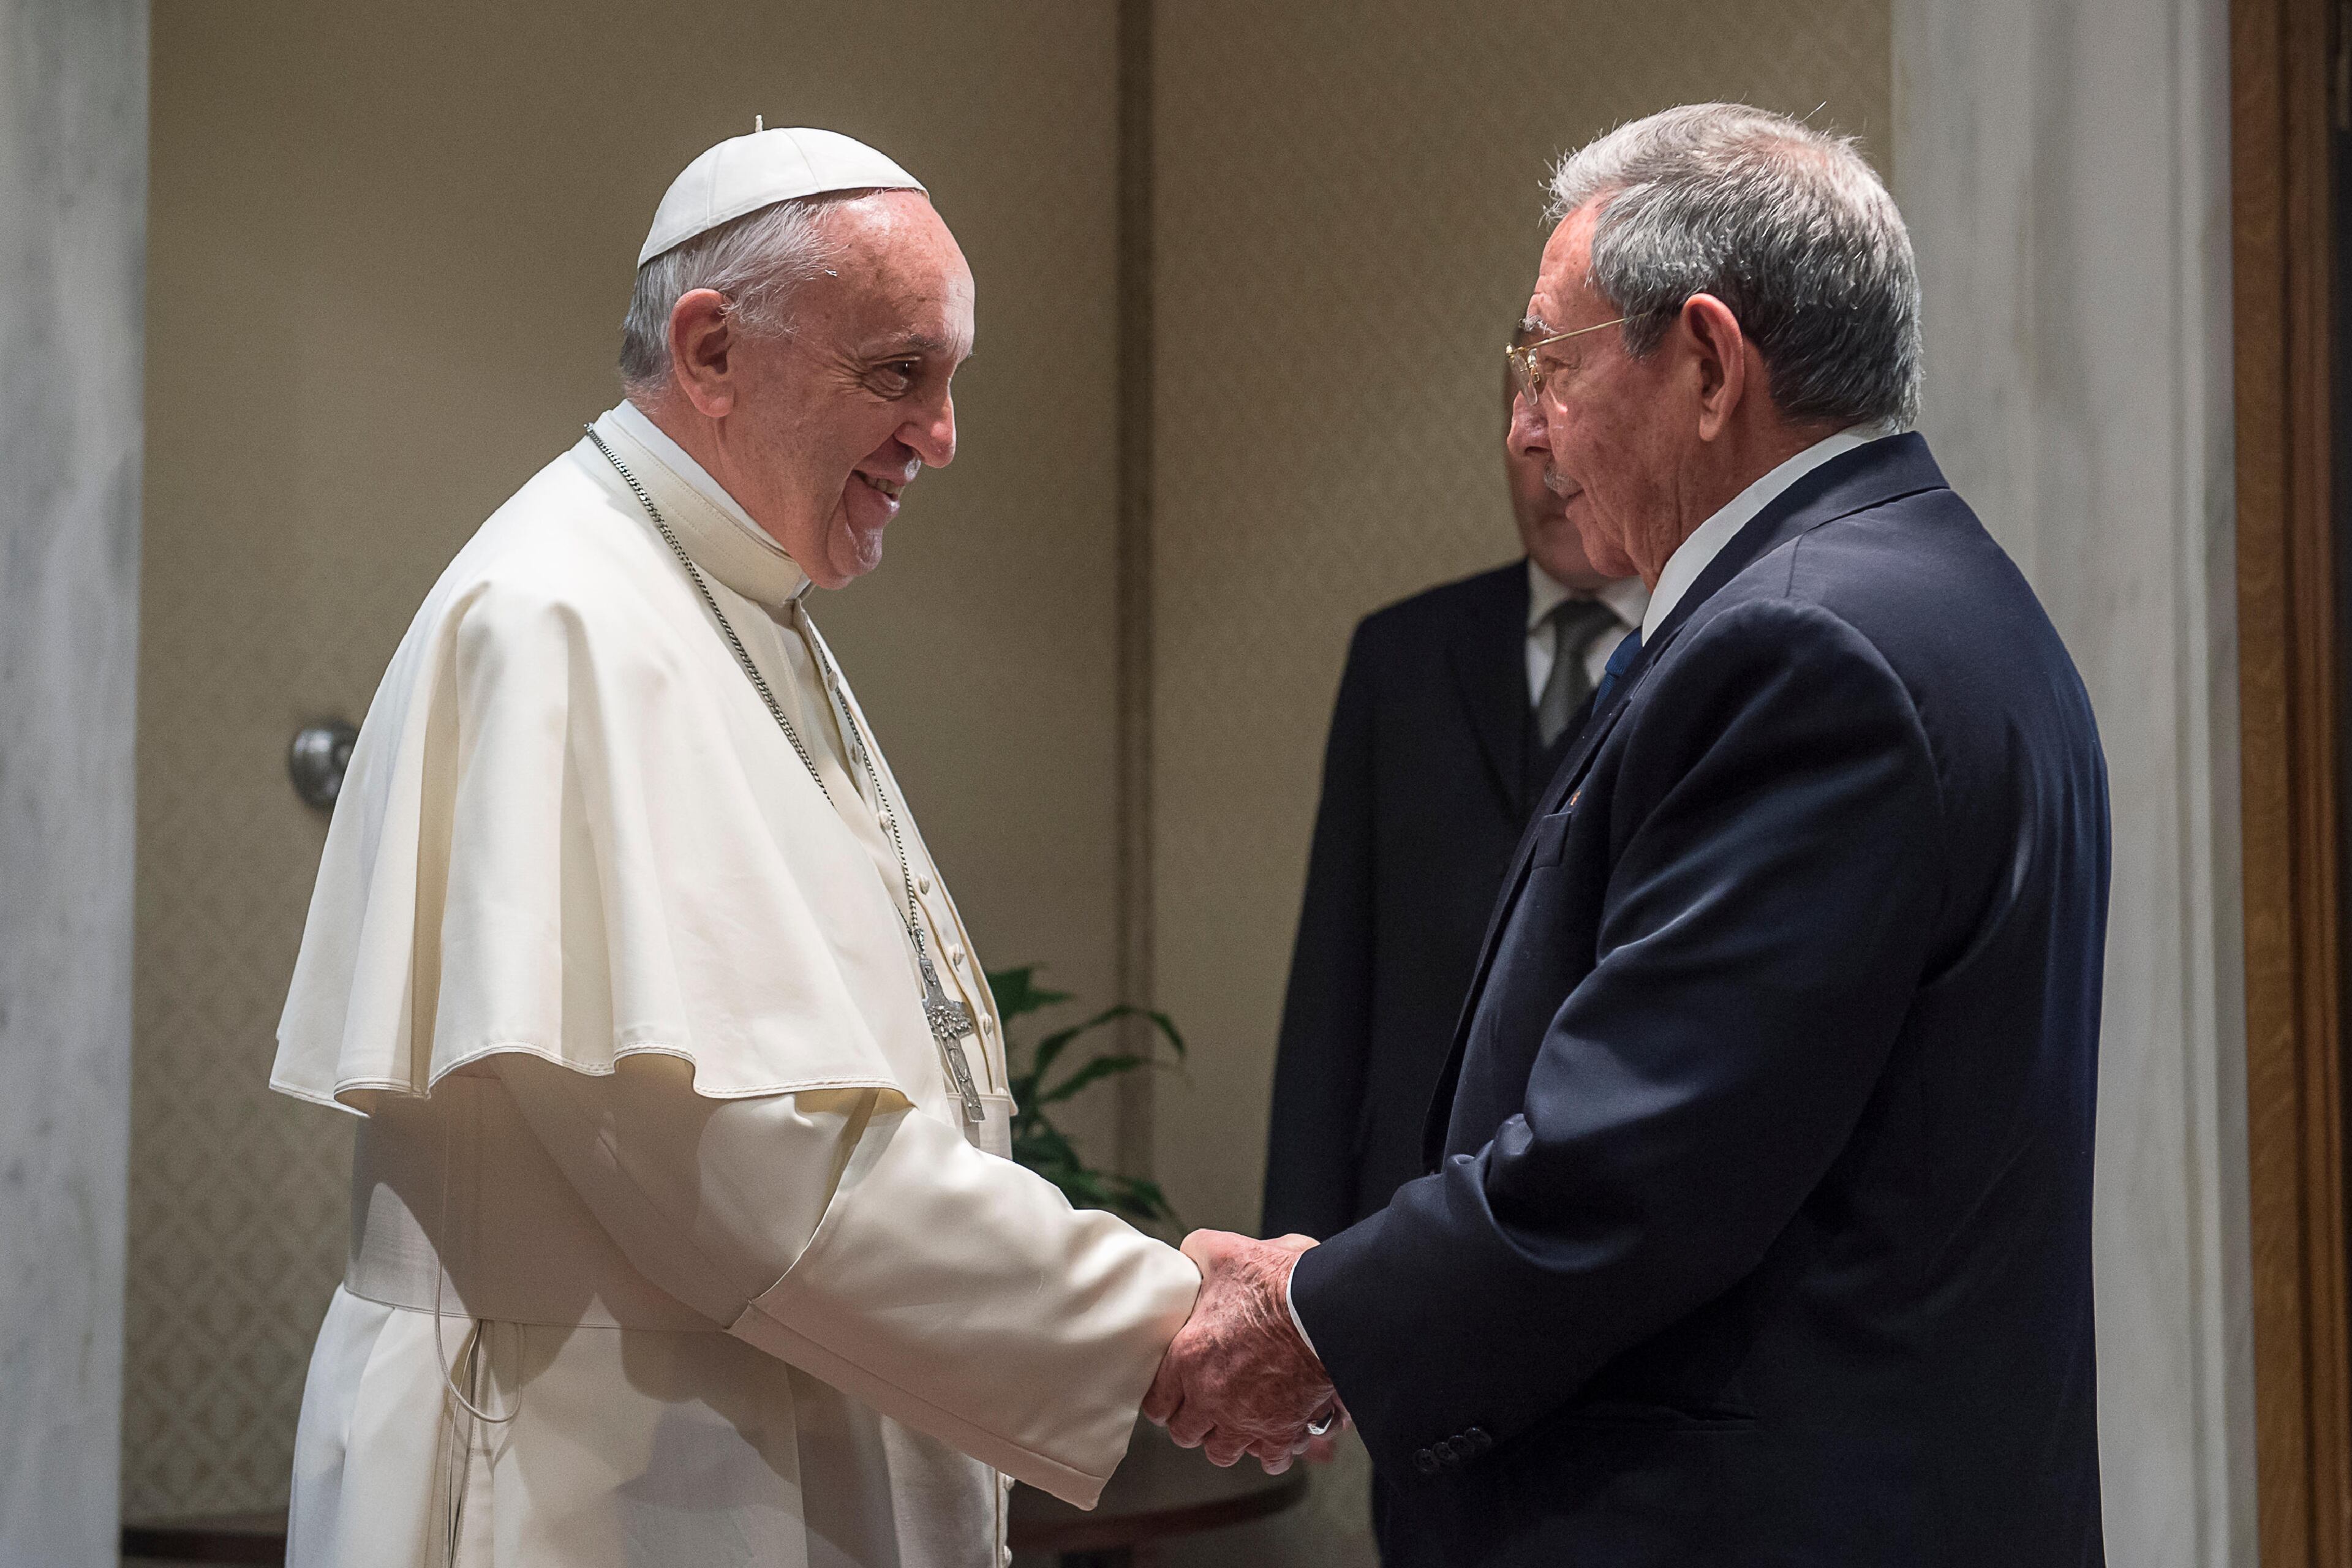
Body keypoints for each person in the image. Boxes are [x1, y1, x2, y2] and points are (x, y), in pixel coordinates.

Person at [1148, 103, 2109, 1566]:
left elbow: (1637, 1165)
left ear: (1711, 363)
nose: (1526, 427)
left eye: (1549, 362)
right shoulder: (1921, 590)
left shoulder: (1806, 646)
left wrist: (1315, 1314)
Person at [270, 126, 1200, 1568]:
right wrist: (1159, 1325)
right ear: (711, 351)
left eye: (950, 380)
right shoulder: (566, 616)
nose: (940, 436)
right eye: (899, 372)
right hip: (589, 1477)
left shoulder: (729, 595)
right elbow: (743, 1164)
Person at [1261, 347, 1644, 1243]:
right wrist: (1292, 1253)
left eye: (1574, 441)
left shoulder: (1710, 656)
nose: (1550, 475)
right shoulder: (1401, 655)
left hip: (1599, 1215)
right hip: (1399, 1204)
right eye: (1526, 442)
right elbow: (1332, 981)